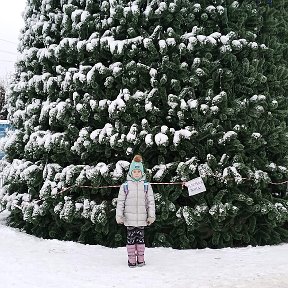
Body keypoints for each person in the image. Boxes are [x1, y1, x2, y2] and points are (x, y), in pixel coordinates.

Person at [116, 154, 156, 268]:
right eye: (134, 171)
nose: (137, 173)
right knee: (131, 240)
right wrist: (119, 216)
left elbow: (150, 202)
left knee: (141, 240)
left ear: (142, 172)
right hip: (129, 220)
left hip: (142, 219)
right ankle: (131, 260)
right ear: (131, 172)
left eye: (139, 171)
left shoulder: (146, 186)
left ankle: (141, 259)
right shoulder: (125, 186)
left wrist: (151, 216)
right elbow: (120, 202)